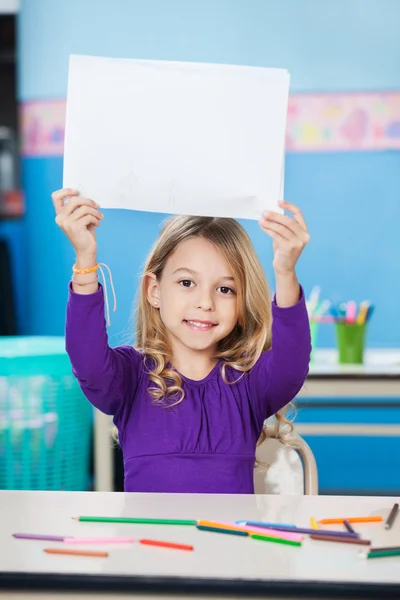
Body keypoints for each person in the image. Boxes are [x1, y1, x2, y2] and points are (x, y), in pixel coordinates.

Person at [52, 188, 311, 493]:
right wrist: (85, 258)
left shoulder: (250, 383)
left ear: (242, 303)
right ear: (155, 290)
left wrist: (285, 272)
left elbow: (291, 363)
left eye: (225, 289)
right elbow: (88, 359)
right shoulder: (131, 378)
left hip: (227, 541)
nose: (205, 302)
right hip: (147, 540)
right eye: (187, 282)